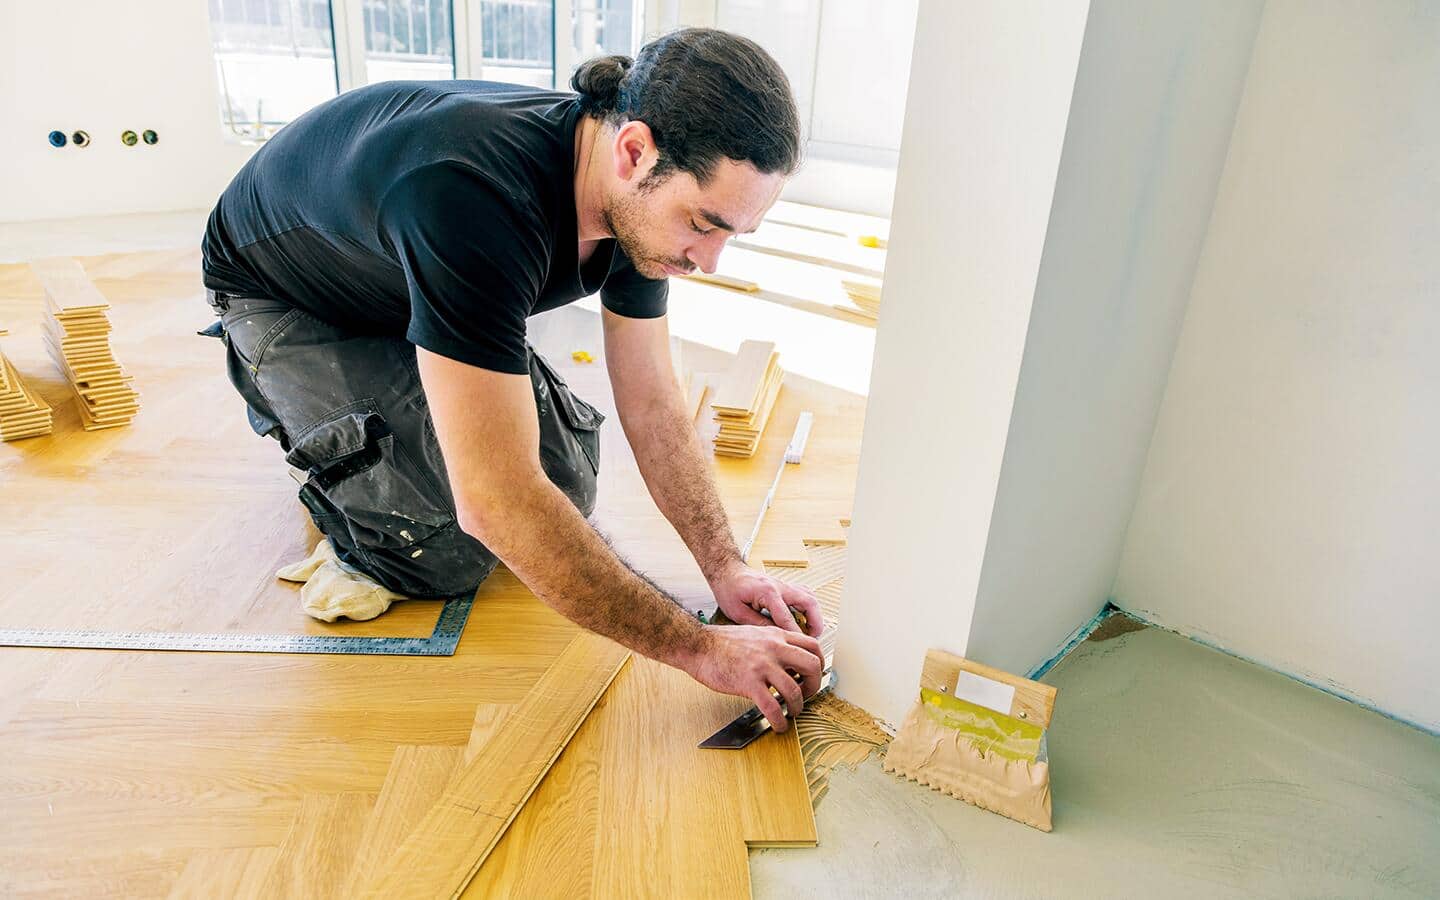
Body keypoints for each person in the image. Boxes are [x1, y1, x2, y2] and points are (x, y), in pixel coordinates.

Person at [200, 28, 825, 730]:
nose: (709, 261)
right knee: (442, 549)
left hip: (403, 280)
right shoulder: (474, 198)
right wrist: (699, 647)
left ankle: (383, 428)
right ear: (634, 151)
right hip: (292, 298)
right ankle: (330, 471)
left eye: (731, 235)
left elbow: (651, 399)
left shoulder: (637, 209)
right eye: (704, 226)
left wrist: (726, 568)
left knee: (568, 482)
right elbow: (495, 502)